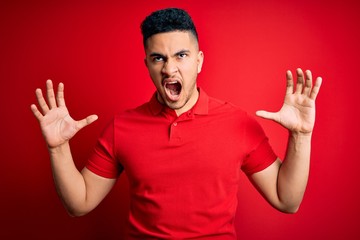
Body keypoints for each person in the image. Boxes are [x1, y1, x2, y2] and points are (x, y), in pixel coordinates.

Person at [31, 8, 322, 239]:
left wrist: (300, 136)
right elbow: (79, 204)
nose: (169, 68)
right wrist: (58, 149)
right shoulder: (122, 127)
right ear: (147, 64)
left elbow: (287, 200)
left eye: (181, 55)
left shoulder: (237, 123)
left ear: (199, 60)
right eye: (158, 58)